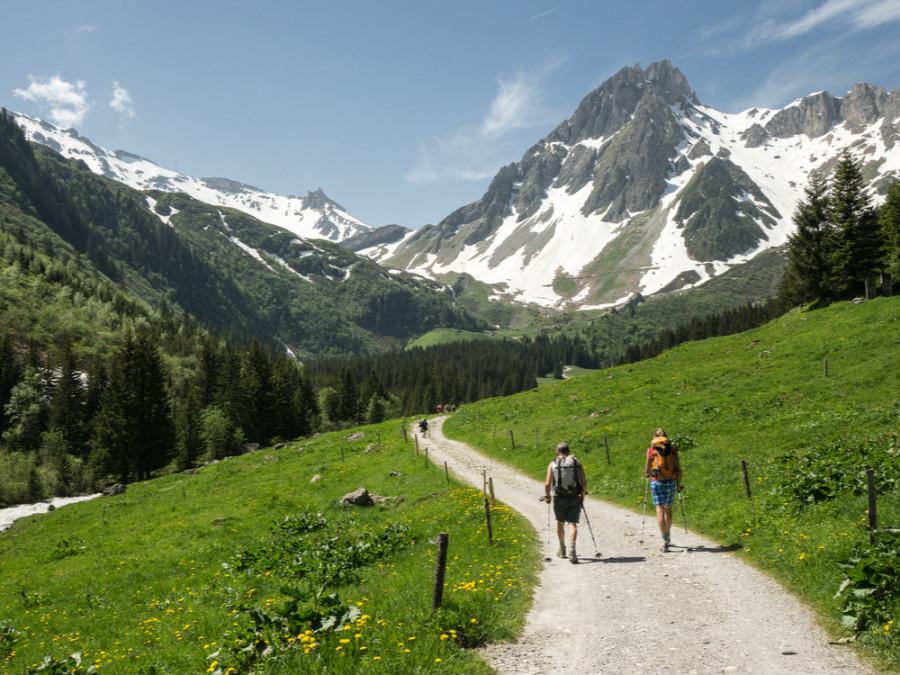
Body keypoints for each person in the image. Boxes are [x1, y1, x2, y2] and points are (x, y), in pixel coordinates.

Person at [544, 441, 587, 563]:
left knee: (560, 523)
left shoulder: (553, 464)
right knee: (572, 524)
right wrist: (582, 495)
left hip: (559, 497)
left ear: (557, 452)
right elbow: (583, 483)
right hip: (574, 496)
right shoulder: (577, 463)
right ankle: (572, 551)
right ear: (568, 451)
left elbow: (547, 483)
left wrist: (547, 496)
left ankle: (562, 549)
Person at [644, 428, 682, 552]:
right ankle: (668, 534)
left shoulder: (651, 450)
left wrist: (647, 474)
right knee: (668, 509)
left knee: (659, 511)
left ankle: (664, 539)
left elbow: (647, 471)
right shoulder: (672, 450)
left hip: (656, 482)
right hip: (670, 481)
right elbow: (678, 469)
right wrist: (678, 485)